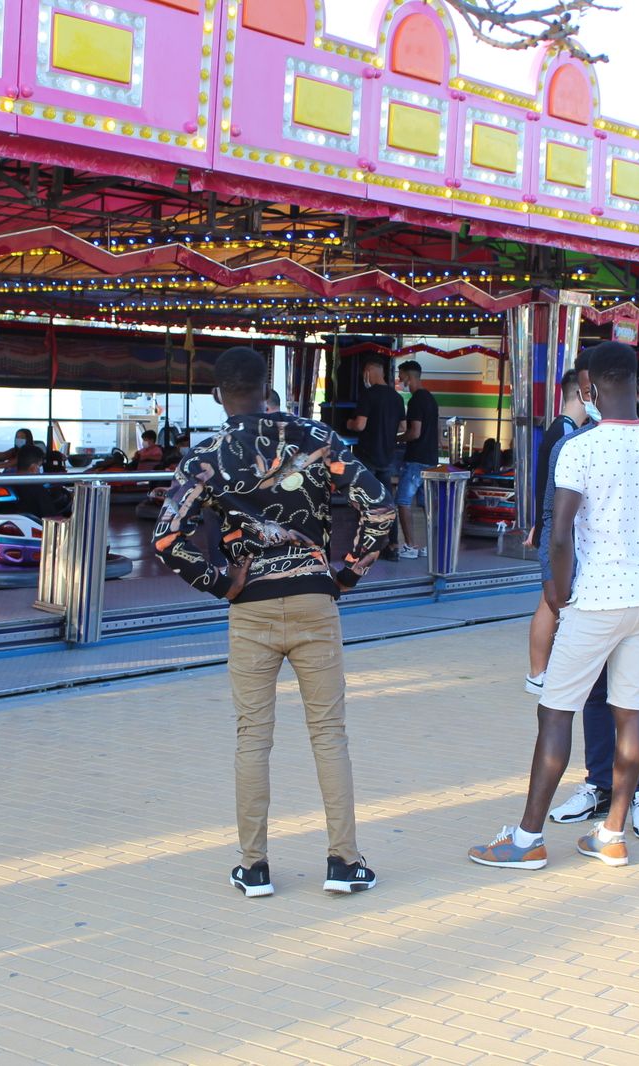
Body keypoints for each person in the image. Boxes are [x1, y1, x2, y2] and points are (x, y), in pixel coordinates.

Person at [154, 346, 395, 897]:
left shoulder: (206, 455)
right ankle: (344, 862)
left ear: (218, 395)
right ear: (267, 388)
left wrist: (222, 583)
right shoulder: (317, 439)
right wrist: (347, 573)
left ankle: (254, 867)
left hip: (251, 610)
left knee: (252, 738)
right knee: (329, 735)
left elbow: (167, 539)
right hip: (315, 602)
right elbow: (379, 507)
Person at [469, 343, 639, 871]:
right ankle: (612, 833)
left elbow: (559, 534)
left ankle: (527, 840)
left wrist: (557, 591)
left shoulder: (581, 447)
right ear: (637, 387)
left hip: (595, 598)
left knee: (556, 711)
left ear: (589, 389)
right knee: (632, 711)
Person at [525, 370, 590, 694]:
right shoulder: (566, 433)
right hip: (556, 532)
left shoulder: (561, 429)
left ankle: (540, 672)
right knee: (550, 602)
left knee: (549, 601)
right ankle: (538, 672)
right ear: (582, 393)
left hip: (550, 527)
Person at [346, 356, 405, 559]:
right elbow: (403, 427)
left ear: (369, 372)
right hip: (387, 457)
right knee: (387, 503)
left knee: (364, 502)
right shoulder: (397, 398)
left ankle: (365, 547)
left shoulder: (368, 395)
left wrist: (349, 424)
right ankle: (393, 545)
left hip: (367, 456)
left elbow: (360, 425)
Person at [394, 360, 440, 559]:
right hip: (430, 459)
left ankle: (410, 545)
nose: (399, 379)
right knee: (425, 505)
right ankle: (431, 545)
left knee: (403, 501)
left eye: (401, 375)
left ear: (408, 376)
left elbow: (414, 432)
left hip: (415, 459)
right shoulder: (430, 399)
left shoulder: (415, 401)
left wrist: (395, 439)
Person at [9, 444, 67, 518]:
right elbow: (52, 518)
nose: (40, 470)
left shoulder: (7, 483)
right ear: (34, 468)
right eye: (40, 466)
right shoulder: (38, 491)